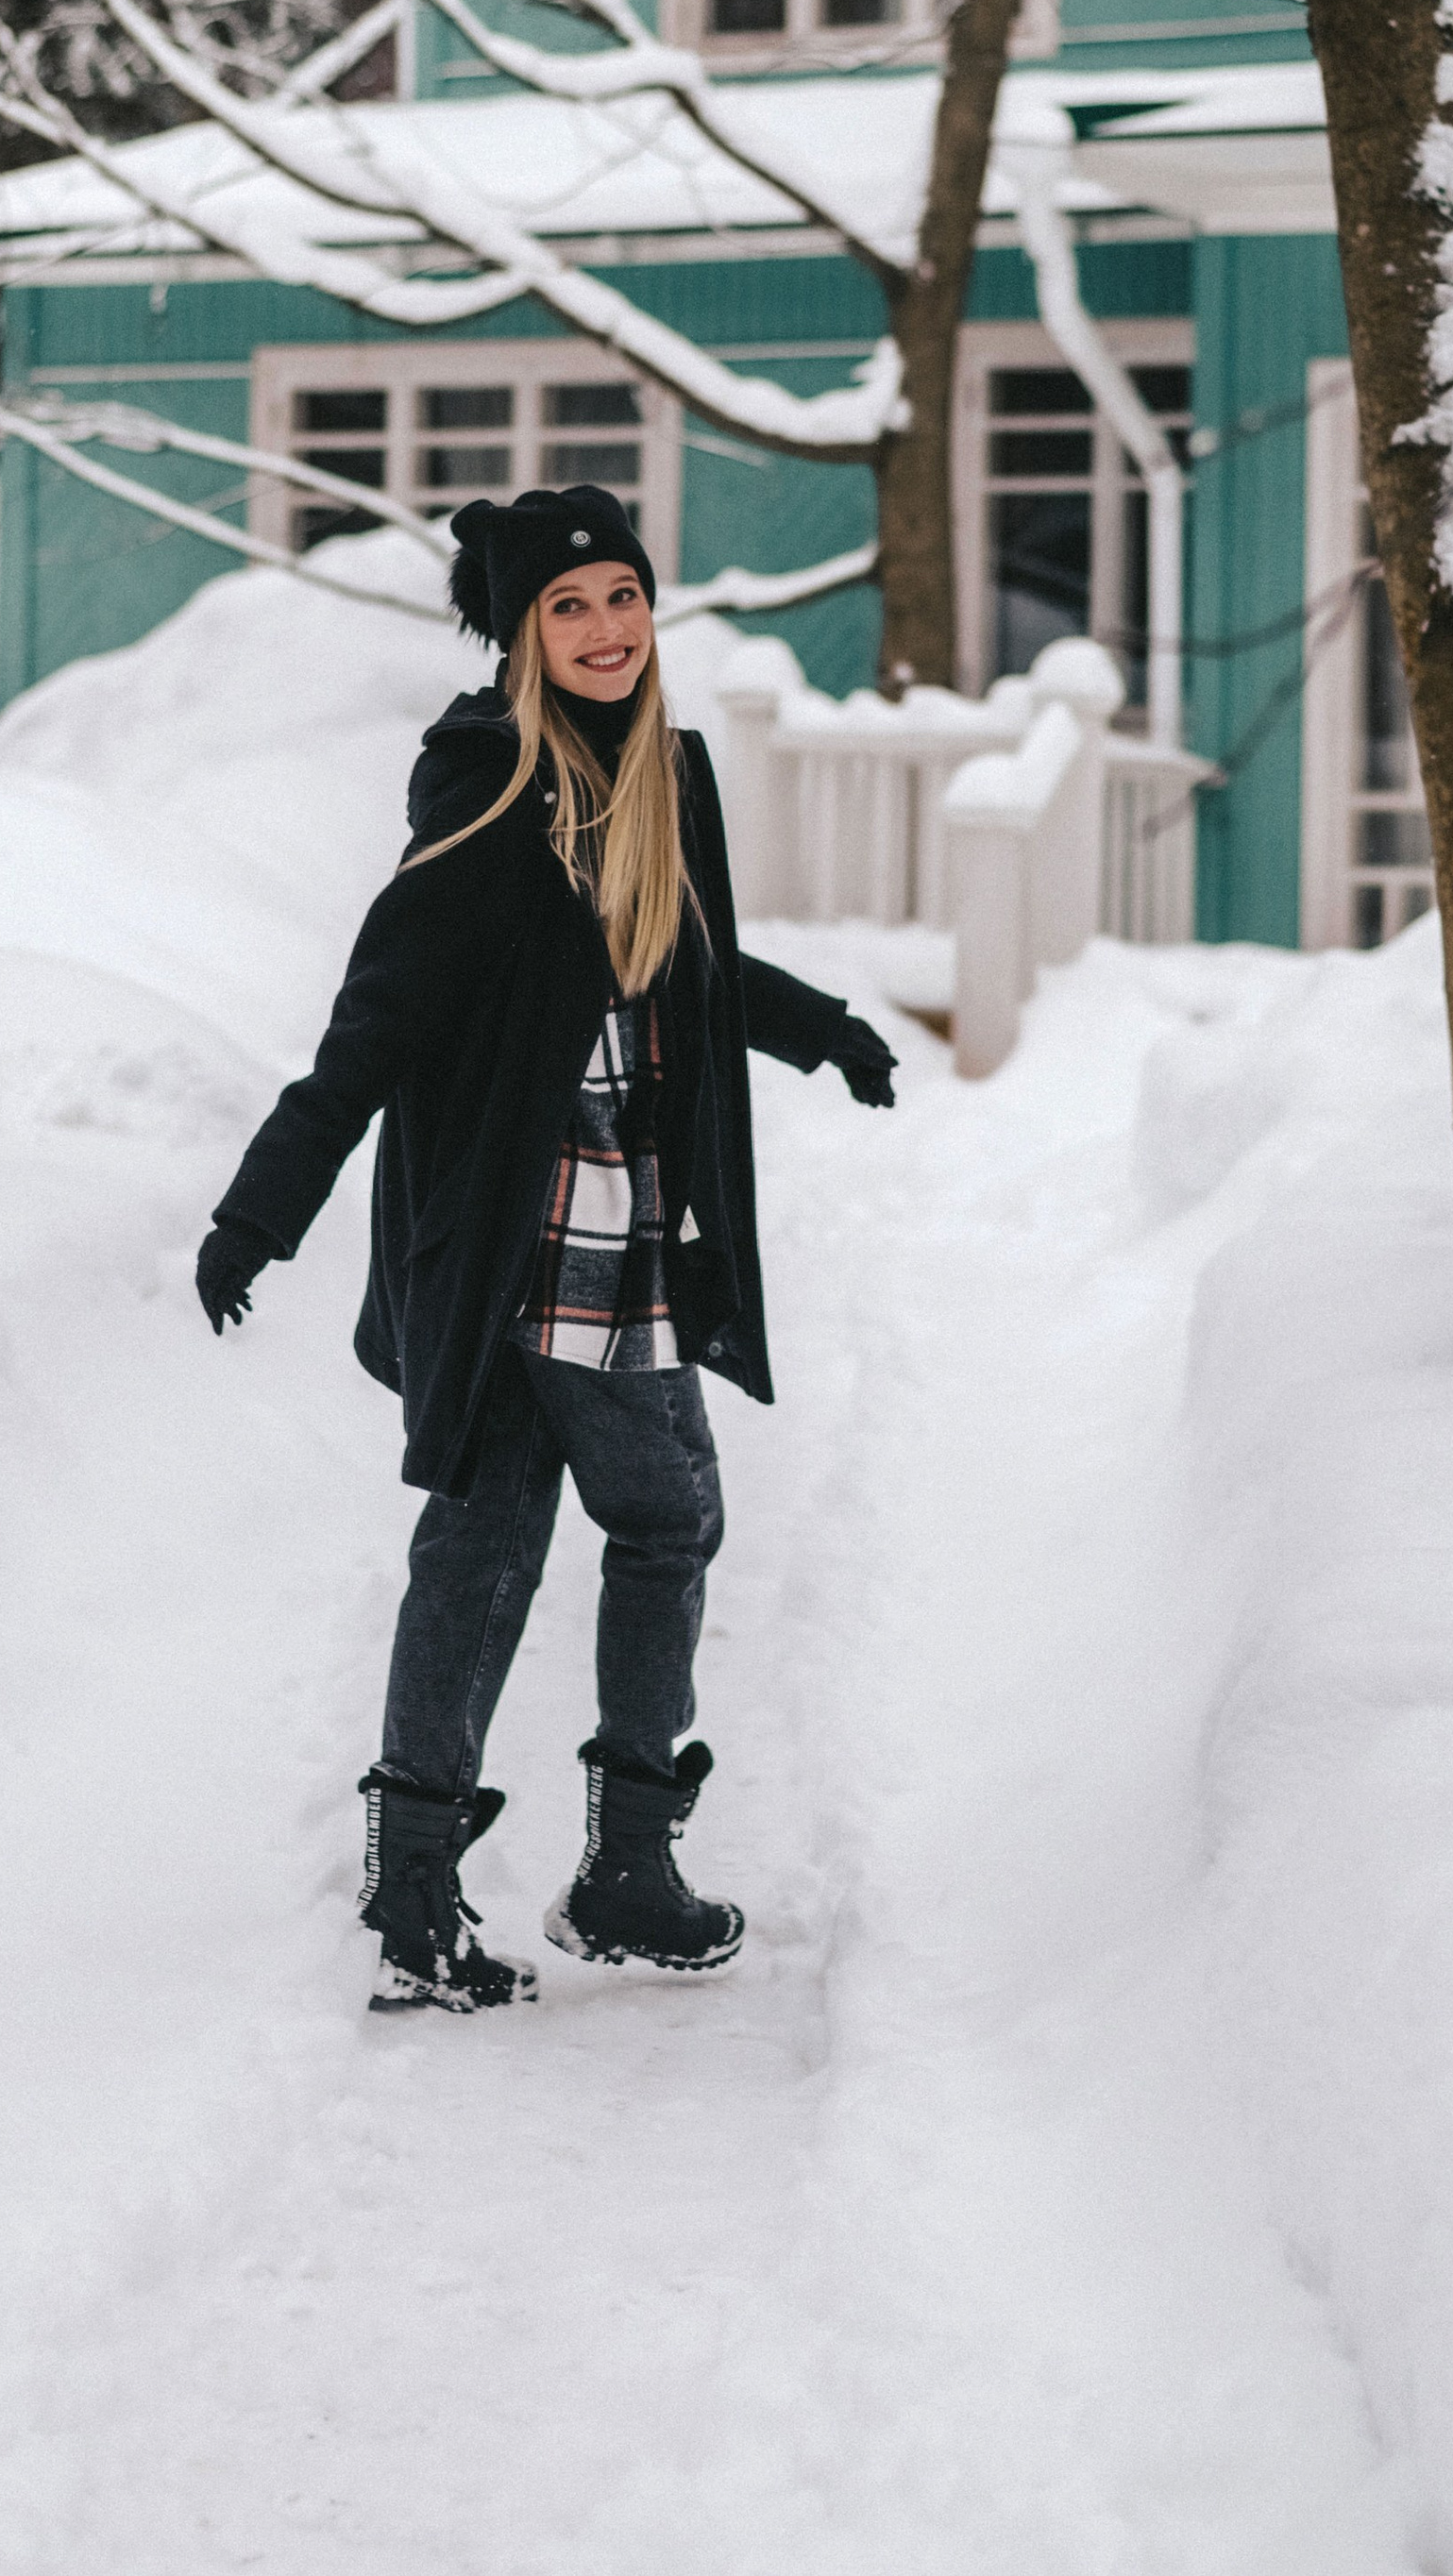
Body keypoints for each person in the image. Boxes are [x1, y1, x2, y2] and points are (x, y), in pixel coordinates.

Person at [194, 485, 898, 2015]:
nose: (603, 628)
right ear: (520, 634)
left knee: (488, 1536)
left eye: (622, 598)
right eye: (567, 606)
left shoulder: (655, 773)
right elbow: (369, 1024)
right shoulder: (495, 792)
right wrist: (262, 1209)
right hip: (552, 1226)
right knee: (666, 1514)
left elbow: (683, 963)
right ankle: (625, 1872)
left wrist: (817, 1028)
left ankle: (420, 1895)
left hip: (581, 1219)